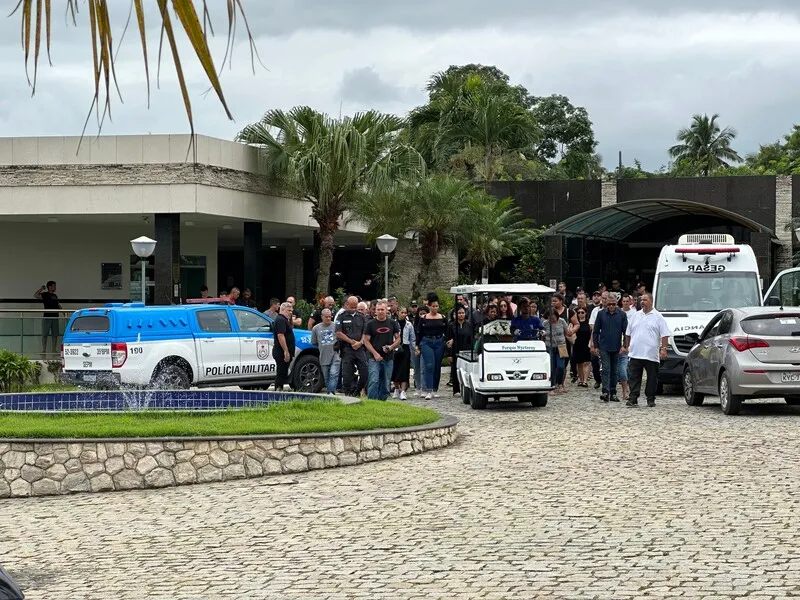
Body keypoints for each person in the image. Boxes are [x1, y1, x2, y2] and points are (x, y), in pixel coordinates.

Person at [622, 293, 671, 408]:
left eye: (645, 300)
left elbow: (665, 335)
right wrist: (627, 346)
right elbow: (628, 333)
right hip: (635, 353)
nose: (642, 302)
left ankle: (650, 398)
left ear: (651, 302)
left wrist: (663, 349)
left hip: (651, 354)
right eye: (641, 300)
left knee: (652, 378)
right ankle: (633, 398)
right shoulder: (635, 315)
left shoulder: (658, 317)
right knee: (633, 377)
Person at [592, 295, 628, 403]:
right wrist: (596, 345)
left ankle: (613, 392)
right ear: (606, 304)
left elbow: (626, 332)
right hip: (604, 346)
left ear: (617, 304)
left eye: (613, 304)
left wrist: (624, 345)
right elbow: (596, 331)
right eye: (609, 304)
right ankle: (605, 392)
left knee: (614, 370)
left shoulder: (622, 314)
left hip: (616, 346)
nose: (611, 306)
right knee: (606, 369)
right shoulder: (601, 314)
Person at [363, 301, 401, 400]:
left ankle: (382, 402)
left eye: (382, 309)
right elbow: (366, 341)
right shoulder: (370, 324)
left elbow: (398, 338)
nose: (380, 312)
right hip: (374, 358)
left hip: (388, 358)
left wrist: (391, 347)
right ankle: (371, 402)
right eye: (378, 310)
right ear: (375, 311)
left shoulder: (392, 323)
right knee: (374, 380)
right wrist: (375, 354)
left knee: (386, 383)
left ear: (386, 310)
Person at [335, 296, 368, 397]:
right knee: (347, 375)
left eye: (355, 307)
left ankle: (357, 391)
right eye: (351, 307)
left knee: (364, 372)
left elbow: (365, 332)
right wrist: (351, 342)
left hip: (359, 349)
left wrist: (360, 342)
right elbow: (338, 333)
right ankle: (348, 394)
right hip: (347, 349)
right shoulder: (341, 316)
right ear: (346, 305)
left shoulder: (361, 317)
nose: (353, 309)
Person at [416, 293, 447, 400]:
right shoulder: (423, 318)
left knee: (437, 366)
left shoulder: (442, 317)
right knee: (429, 365)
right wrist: (417, 346)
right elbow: (419, 333)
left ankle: (435, 389)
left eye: (436, 306)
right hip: (426, 342)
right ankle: (428, 390)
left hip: (439, 341)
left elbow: (447, 331)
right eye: (433, 306)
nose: (435, 308)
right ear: (429, 306)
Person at [311, 308, 339, 394]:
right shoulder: (316, 328)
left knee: (334, 374)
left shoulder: (336, 326)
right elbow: (314, 342)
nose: (328, 318)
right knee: (326, 376)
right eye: (326, 317)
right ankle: (329, 392)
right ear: (322, 317)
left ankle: (331, 392)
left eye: (330, 316)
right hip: (323, 355)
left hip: (335, 354)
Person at [446, 306, 472, 396]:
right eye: (459, 313)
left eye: (462, 313)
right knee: (455, 370)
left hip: (467, 349)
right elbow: (448, 340)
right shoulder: (451, 325)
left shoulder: (469, 325)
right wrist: (449, 354)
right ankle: (456, 390)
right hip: (455, 350)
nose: (461, 315)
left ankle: (467, 389)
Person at [391, 306, 415, 400]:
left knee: (404, 369)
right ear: (398, 313)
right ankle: (396, 388)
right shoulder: (393, 323)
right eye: (402, 312)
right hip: (395, 347)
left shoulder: (409, 325)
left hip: (405, 347)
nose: (404, 314)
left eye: (405, 313)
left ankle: (403, 390)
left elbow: (412, 338)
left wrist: (414, 349)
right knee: (395, 369)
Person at [543, 309, 569, 395]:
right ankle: (552, 385)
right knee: (552, 367)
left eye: (553, 317)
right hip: (550, 347)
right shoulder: (545, 323)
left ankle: (560, 383)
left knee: (561, 366)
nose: (552, 320)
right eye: (550, 318)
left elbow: (566, 332)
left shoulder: (562, 321)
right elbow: (543, 335)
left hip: (561, 347)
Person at [618, 294, 638, 402]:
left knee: (627, 368)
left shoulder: (634, 314)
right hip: (619, 342)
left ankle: (627, 390)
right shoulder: (619, 313)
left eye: (627, 301)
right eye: (624, 301)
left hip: (631, 342)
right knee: (621, 369)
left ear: (630, 302)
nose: (625, 303)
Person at [272, 302, 295, 391]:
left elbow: (291, 327)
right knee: (281, 373)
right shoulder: (280, 320)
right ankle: (278, 390)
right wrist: (286, 351)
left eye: (291, 311)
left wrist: (291, 318)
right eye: (289, 310)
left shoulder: (285, 320)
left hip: (284, 351)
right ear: (282, 310)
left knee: (283, 372)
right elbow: (280, 335)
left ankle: (279, 389)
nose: (290, 312)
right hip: (281, 351)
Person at [34, 281, 61, 356]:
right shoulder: (45, 294)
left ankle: (54, 350)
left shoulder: (55, 296)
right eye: (54, 286)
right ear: (49, 287)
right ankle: (44, 350)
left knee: (55, 334)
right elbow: (36, 295)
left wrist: (62, 311)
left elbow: (58, 304)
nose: (55, 288)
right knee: (45, 334)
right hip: (47, 316)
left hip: (55, 316)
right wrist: (41, 289)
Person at [570, 306, 592, 387]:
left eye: (582, 312)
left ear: (586, 313)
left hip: (586, 344)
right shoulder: (575, 323)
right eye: (578, 312)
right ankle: (581, 379)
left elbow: (592, 333)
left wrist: (591, 342)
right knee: (579, 363)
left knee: (586, 362)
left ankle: (585, 381)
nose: (580, 314)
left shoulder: (588, 323)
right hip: (577, 344)